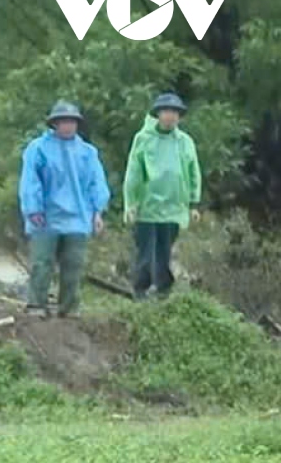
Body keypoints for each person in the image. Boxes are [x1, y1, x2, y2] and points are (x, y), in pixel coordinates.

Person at [16, 101, 111, 318]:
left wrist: (97, 211)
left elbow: (97, 183)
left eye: (72, 122)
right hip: (46, 218)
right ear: (54, 124)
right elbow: (30, 181)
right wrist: (33, 208)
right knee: (42, 263)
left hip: (78, 218)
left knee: (73, 265)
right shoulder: (38, 148)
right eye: (63, 122)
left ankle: (69, 309)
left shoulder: (87, 152)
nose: (68, 126)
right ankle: (36, 305)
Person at [123, 92, 202, 300]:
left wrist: (194, 203)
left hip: (173, 208)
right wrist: (131, 203)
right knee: (146, 254)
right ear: (158, 114)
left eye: (175, 113)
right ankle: (140, 291)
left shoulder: (185, 142)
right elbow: (134, 173)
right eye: (166, 112)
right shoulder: (143, 139)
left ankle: (163, 292)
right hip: (147, 208)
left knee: (164, 253)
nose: (170, 117)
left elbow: (193, 172)